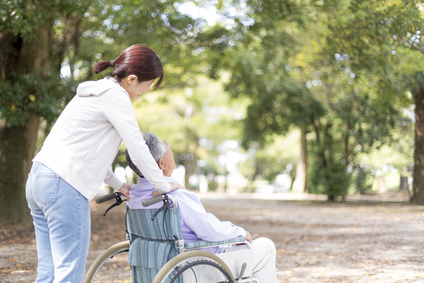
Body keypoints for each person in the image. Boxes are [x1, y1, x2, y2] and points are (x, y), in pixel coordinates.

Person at [25, 44, 181, 283]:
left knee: (48, 273)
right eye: (148, 84)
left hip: (39, 179)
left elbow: (90, 153)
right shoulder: (116, 97)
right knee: (68, 275)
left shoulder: (94, 93)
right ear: (131, 79)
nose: (146, 90)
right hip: (63, 186)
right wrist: (163, 185)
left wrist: (119, 184)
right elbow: (138, 149)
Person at [126, 132, 278, 283]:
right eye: (168, 146)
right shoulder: (176, 198)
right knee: (266, 246)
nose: (171, 150)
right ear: (162, 163)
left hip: (154, 267)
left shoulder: (134, 197)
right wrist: (240, 232)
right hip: (195, 268)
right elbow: (213, 232)